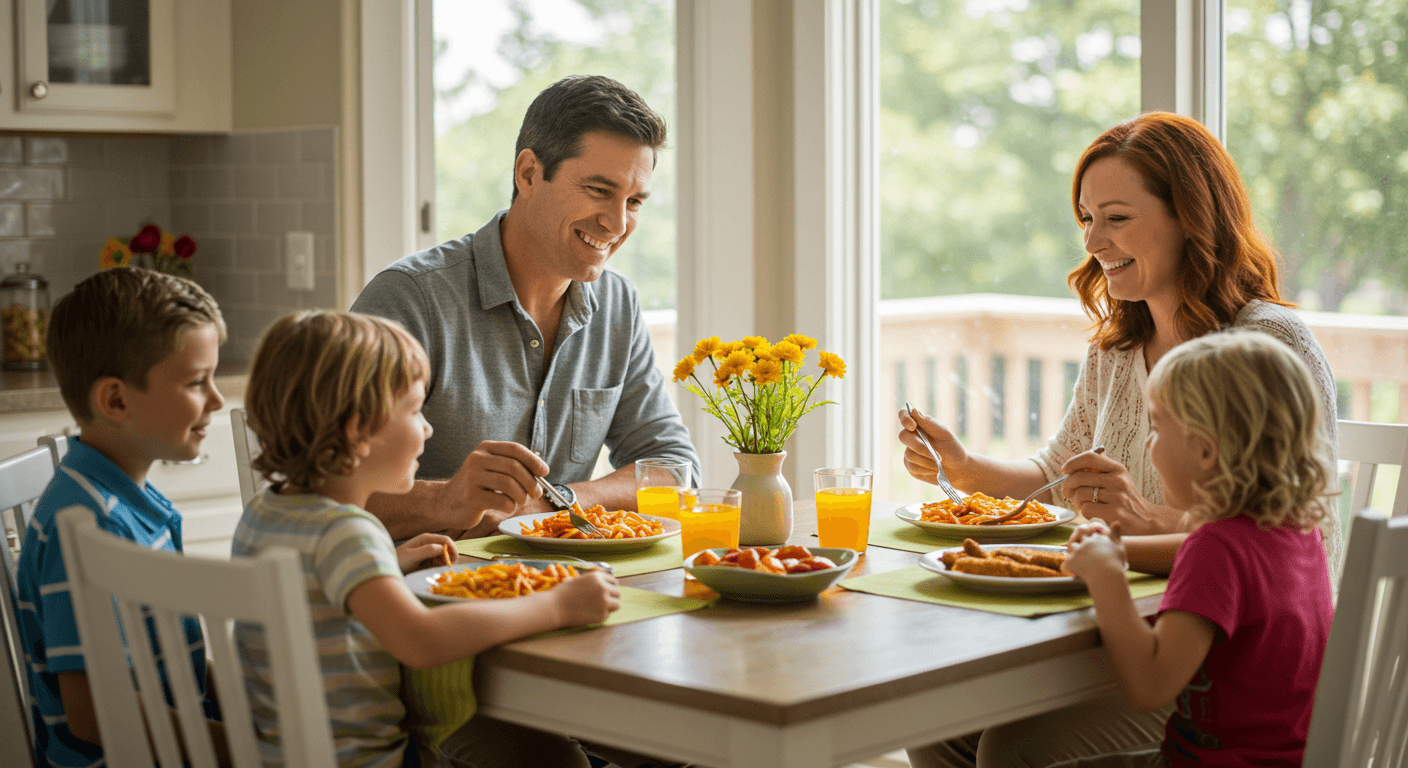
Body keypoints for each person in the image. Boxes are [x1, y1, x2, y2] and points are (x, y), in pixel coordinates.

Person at [899, 111, 1343, 767]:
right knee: (936, 723)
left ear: (1190, 216)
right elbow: (1054, 472)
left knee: (1014, 749)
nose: (1094, 240)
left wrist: (1145, 518)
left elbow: (1305, 536)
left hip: (1229, 670)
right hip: (1115, 632)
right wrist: (963, 469)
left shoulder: (1266, 346)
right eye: (1085, 218)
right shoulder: (1119, 345)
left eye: (1117, 217)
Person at [232, 310, 621, 768]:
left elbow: (308, 594)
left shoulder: (266, 512)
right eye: (415, 411)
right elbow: (423, 641)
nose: (427, 428)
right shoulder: (346, 533)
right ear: (358, 430)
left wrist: (388, 565)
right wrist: (557, 605)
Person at [352, 74, 698, 541]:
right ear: (529, 174)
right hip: (419, 596)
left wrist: (558, 503)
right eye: (599, 190)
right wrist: (449, 502)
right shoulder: (410, 300)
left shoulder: (619, 305)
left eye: (634, 201)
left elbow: (674, 469)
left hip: (564, 587)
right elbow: (321, 495)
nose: (617, 223)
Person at [1050, 329, 1335, 767]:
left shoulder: (1216, 548)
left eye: (1157, 427)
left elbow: (1150, 684)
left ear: (1203, 451)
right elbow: (1214, 564)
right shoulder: (1296, 532)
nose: (1148, 444)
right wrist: (1119, 550)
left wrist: (1107, 577)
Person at [17, 267, 228, 767]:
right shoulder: (88, 529)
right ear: (115, 400)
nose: (217, 400)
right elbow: (95, 716)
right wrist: (239, 747)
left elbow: (176, 666)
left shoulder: (126, 498)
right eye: (198, 382)